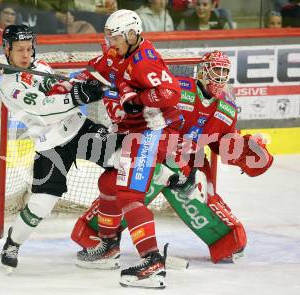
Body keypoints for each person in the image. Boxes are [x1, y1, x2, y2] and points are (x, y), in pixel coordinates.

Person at [71, 50, 274, 265]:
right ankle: (98, 236)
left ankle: (226, 240)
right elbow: (148, 114)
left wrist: (245, 150)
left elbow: (223, 143)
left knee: (201, 196)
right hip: (155, 153)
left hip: (191, 165)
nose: (220, 77)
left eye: (224, 72)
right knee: (124, 187)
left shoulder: (227, 108)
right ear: (203, 72)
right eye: (216, 71)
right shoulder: (179, 88)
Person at [73, 9, 186, 289]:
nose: (111, 42)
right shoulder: (116, 53)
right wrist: (69, 82)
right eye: (109, 37)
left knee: (129, 195)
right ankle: (110, 247)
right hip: (132, 131)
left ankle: (152, 262)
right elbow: (93, 70)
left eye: (115, 37)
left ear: (132, 34)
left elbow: (172, 92)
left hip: (152, 132)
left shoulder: (144, 62)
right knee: (109, 183)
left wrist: (139, 100)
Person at [0, 24, 122, 274]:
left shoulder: (42, 67)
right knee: (42, 204)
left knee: (123, 162)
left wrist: (80, 86)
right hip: (51, 146)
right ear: (7, 50)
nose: (25, 54)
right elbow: (43, 108)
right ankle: (13, 243)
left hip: (80, 130)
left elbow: (60, 89)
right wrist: (79, 96)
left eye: (29, 48)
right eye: (19, 49)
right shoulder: (8, 85)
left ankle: (108, 238)